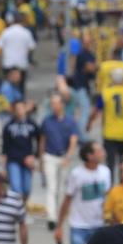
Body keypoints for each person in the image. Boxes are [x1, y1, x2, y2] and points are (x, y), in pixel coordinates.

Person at [40, 93, 80, 231]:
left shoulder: (70, 121)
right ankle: (51, 217)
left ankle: (60, 214)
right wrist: (41, 157)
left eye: (56, 103)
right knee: (51, 187)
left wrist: (68, 156)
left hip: (63, 156)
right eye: (52, 103)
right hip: (49, 156)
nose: (54, 106)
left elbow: (73, 140)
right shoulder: (47, 121)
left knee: (62, 188)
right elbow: (43, 139)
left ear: (62, 105)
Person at [97, 70, 123, 176]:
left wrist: (90, 123)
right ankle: (122, 184)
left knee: (110, 163)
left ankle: (110, 183)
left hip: (109, 132)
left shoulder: (105, 93)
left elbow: (98, 109)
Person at [1, 99, 40, 199]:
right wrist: (3, 168)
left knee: (27, 189)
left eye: (21, 108)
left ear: (25, 108)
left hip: (27, 161)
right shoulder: (9, 126)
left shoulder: (32, 124)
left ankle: (22, 205)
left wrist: (35, 156)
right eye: (17, 108)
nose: (19, 110)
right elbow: (4, 148)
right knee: (16, 188)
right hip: (13, 160)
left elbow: (40, 141)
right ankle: (17, 206)